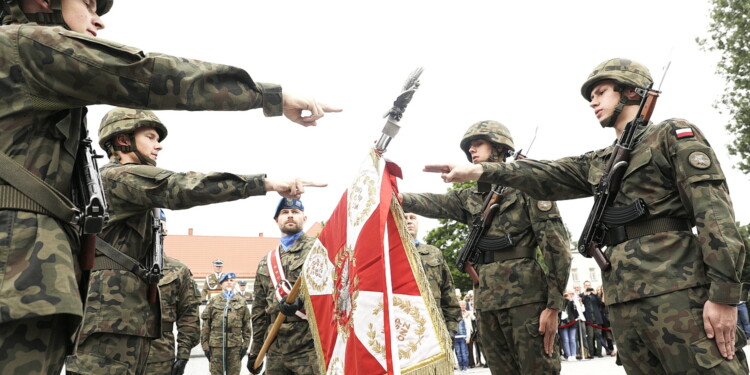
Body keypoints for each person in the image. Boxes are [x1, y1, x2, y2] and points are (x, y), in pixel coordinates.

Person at [0, 1, 339, 373]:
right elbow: (146, 80)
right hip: (25, 276)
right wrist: (267, 119)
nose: (97, 18)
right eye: (87, 2)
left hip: (59, 293)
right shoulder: (117, 175)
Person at [427, 58, 749, 373]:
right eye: (591, 96)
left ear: (631, 91)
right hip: (624, 303)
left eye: (601, 92)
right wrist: (482, 170)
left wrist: (724, 295)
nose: (592, 101)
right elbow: (546, 174)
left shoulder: (671, 135)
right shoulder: (600, 161)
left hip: (679, 293)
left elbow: (715, 217)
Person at [65, 108, 327, 374]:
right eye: (151, 136)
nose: (159, 145)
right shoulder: (118, 176)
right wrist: (265, 183)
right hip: (107, 333)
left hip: (123, 328)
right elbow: (183, 186)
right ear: (123, 140)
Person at [399, 120, 572, 375]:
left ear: (499, 147)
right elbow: (434, 203)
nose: (471, 150)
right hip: (487, 301)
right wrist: (399, 198)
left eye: (478, 143)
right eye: (469, 146)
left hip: (527, 299)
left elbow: (557, 249)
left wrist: (554, 306)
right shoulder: (470, 198)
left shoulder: (529, 190)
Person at [248, 198, 318, 375]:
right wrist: (255, 351)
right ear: (276, 220)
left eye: (295, 212)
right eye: (285, 213)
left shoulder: (318, 250)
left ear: (304, 218)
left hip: (309, 347)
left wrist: (301, 302)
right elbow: (259, 311)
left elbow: (331, 294)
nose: (290, 216)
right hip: (276, 349)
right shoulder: (266, 261)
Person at [404, 212, 461, 336]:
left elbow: (448, 290)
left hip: (436, 326)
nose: (409, 221)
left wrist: (451, 328)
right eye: (404, 218)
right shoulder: (388, 255)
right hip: (405, 327)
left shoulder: (433, 252)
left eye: (412, 218)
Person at [145, 256, 201, 375]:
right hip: (112, 356)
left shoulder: (177, 270)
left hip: (158, 358)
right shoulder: (108, 263)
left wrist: (183, 355)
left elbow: (189, 315)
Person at [201, 272, 251, 375]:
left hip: (235, 346)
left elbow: (247, 326)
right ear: (221, 284)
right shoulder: (213, 301)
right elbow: (206, 325)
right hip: (216, 346)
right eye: (226, 281)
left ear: (235, 283)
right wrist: (205, 346)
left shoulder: (241, 301)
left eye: (231, 281)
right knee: (216, 372)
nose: (229, 283)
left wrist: (245, 346)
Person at [581, 280, 609, 358]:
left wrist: (596, 294)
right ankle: (591, 353)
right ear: (584, 286)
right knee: (590, 337)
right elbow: (581, 303)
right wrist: (585, 295)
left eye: (589, 285)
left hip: (597, 319)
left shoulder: (594, 295)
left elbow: (600, 303)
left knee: (599, 336)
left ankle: (599, 353)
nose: (588, 286)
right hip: (589, 319)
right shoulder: (582, 295)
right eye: (586, 285)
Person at [558, 290, 580, 361]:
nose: (567, 297)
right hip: (562, 323)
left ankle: (573, 354)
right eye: (565, 295)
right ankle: (568, 355)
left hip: (572, 321)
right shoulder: (559, 303)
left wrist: (573, 302)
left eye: (568, 295)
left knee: (572, 339)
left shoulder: (572, 302)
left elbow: (576, 313)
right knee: (565, 339)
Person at [455, 300, 473, 372]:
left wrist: (468, 337)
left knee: (464, 352)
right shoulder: (455, 314)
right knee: (458, 353)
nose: (463, 306)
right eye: (461, 305)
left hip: (463, 336)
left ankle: (465, 366)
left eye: (464, 305)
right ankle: (461, 366)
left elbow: (468, 327)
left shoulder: (468, 313)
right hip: (456, 337)